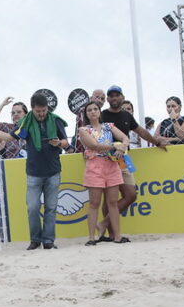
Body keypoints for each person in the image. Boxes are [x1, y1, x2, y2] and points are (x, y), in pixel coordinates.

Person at [0, 93, 68, 250]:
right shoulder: (26, 123)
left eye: (44, 111)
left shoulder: (56, 120)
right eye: (38, 111)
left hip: (53, 170)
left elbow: (66, 141)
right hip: (33, 172)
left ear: (47, 108)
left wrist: (59, 143)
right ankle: (35, 240)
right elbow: (10, 137)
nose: (41, 114)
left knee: (51, 208)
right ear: (32, 109)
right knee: (32, 207)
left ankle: (48, 241)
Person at [97, 85, 170, 241]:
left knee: (131, 195)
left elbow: (141, 132)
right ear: (108, 99)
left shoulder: (126, 116)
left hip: (123, 160)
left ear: (122, 97)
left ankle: (104, 223)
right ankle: (111, 235)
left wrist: (156, 142)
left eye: (117, 95)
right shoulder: (102, 115)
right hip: (106, 160)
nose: (114, 98)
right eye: (111, 96)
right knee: (109, 198)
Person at [78, 101, 129, 245]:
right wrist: (115, 146)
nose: (93, 112)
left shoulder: (109, 126)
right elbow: (94, 145)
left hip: (112, 165)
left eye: (95, 109)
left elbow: (125, 137)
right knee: (94, 203)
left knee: (112, 202)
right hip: (95, 165)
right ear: (86, 114)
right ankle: (91, 237)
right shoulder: (84, 130)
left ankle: (117, 236)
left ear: (100, 111)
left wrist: (121, 147)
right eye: (90, 110)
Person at [72, 89, 106, 155]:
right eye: (97, 97)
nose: (99, 100)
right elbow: (84, 131)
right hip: (84, 151)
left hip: (98, 152)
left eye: (102, 99)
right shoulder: (84, 111)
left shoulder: (102, 114)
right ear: (90, 98)